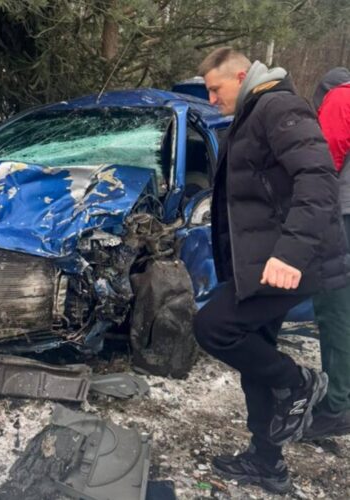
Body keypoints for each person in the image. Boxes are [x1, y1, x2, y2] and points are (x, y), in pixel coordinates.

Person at [193, 47, 350, 494]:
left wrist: (290, 255)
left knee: (213, 326)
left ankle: (298, 381)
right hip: (262, 263)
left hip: (289, 264)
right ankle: (267, 461)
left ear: (241, 75)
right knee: (255, 354)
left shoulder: (279, 106)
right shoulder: (252, 112)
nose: (211, 99)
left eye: (215, 89)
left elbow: (318, 180)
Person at [305, 67, 350, 439]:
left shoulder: (341, 97)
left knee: (335, 308)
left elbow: (322, 164)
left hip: (343, 216)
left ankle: (336, 406)